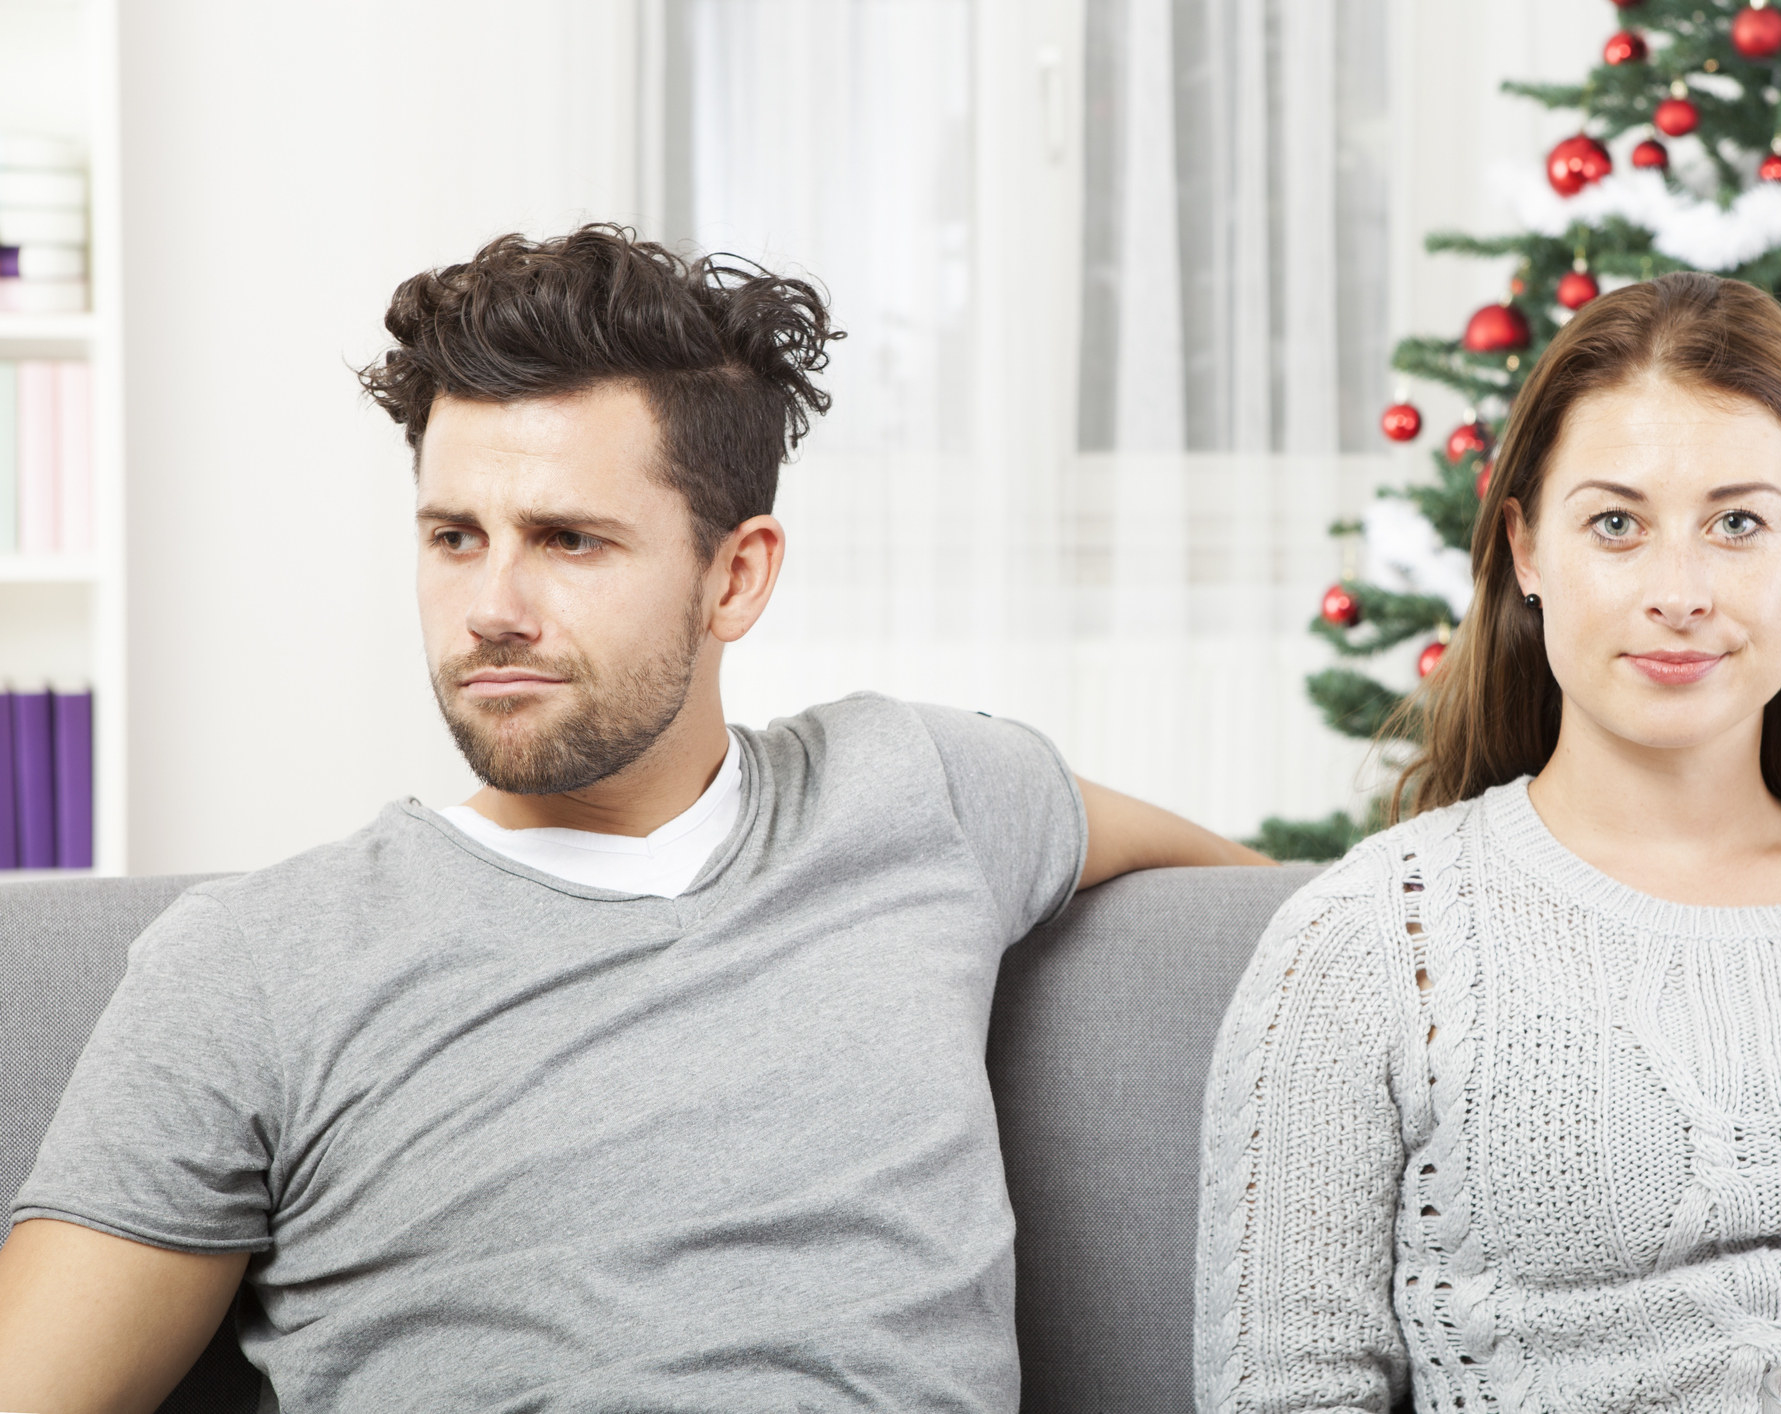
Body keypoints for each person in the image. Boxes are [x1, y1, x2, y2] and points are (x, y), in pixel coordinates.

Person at [0, 225, 1273, 1414]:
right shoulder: (256, 961)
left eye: (567, 540)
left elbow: (1303, 910)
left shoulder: (924, 788)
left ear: (736, 575)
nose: (491, 604)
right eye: (454, 535)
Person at [1193, 273, 1781, 1414]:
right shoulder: (1374, 941)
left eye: (1738, 523)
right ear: (1526, 547)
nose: (1679, 592)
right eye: (1617, 524)